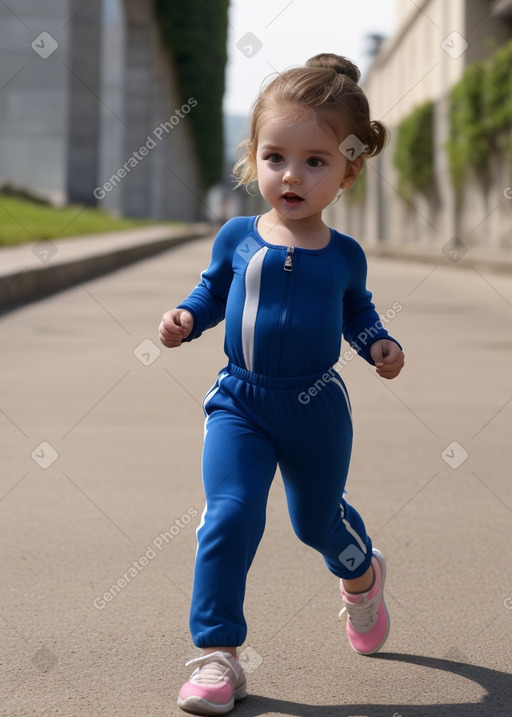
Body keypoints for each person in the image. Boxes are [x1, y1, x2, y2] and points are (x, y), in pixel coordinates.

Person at [159, 53, 405, 715]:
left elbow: (357, 313)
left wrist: (377, 342)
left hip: (315, 406)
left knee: (315, 522)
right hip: (239, 400)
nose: (291, 175)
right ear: (255, 157)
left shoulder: (344, 255)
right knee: (229, 513)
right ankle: (218, 654)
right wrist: (187, 315)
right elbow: (213, 291)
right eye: (275, 156)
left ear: (348, 169)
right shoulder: (238, 236)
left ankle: (363, 575)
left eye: (315, 161)